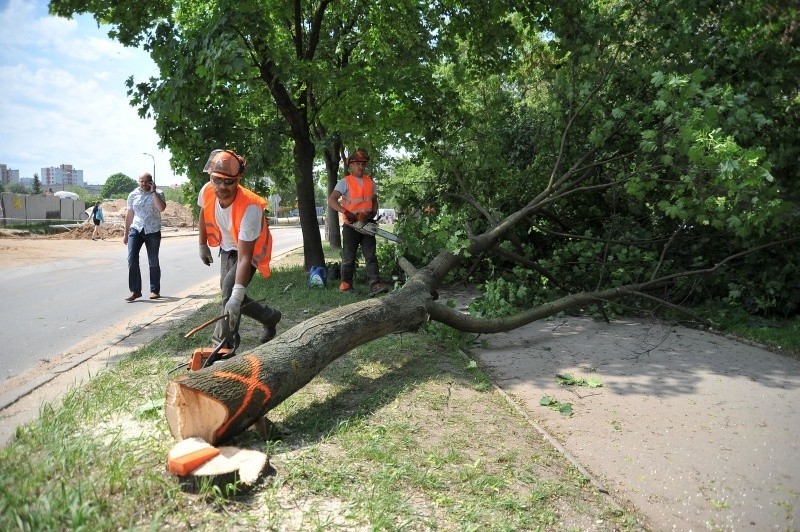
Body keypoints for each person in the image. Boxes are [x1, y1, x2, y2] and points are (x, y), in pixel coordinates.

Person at [197, 149, 281, 348]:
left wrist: (236, 296)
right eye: (217, 180)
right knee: (231, 296)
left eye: (229, 182)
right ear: (211, 176)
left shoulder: (250, 208)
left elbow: (244, 257)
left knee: (230, 292)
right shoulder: (207, 190)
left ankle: (222, 344)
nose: (222, 186)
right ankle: (270, 317)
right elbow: (203, 213)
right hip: (227, 248)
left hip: (249, 252)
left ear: (238, 178)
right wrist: (202, 244)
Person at [327, 149, 387, 296]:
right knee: (349, 256)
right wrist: (345, 211)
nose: (361, 167)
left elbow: (374, 201)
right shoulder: (345, 182)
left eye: (363, 164)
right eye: (357, 164)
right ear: (351, 166)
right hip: (351, 225)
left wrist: (373, 212)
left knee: (371, 255)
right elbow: (331, 200)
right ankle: (346, 284)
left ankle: (375, 284)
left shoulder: (370, 181)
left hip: (366, 224)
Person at [124, 172, 166, 301]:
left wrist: (153, 192)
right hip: (136, 229)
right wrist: (126, 233)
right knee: (131, 259)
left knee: (153, 260)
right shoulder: (133, 195)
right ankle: (135, 291)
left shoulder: (159, 193)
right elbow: (130, 214)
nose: (144, 184)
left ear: (151, 182)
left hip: (152, 230)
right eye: (141, 181)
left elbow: (161, 208)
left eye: (146, 181)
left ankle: (155, 290)